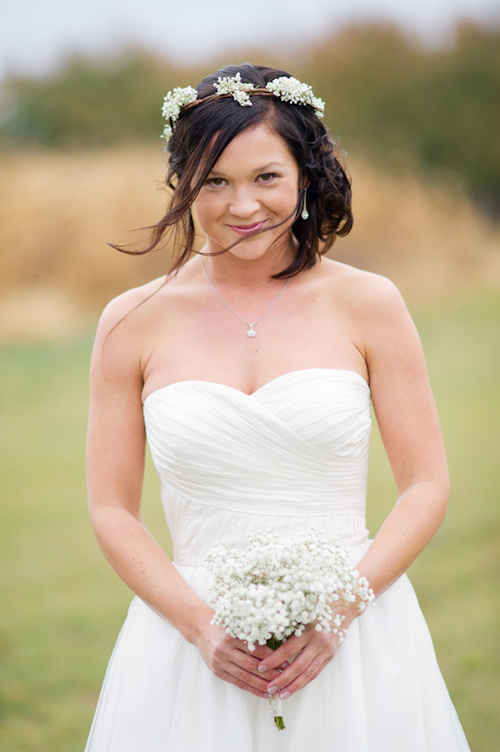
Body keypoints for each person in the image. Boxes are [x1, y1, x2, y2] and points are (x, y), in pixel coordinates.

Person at [85, 63, 470, 751]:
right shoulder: (131, 320)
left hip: (352, 627)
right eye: (215, 182)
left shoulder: (369, 304)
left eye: (266, 177)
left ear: (305, 176)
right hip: (192, 639)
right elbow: (111, 508)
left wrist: (341, 609)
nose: (242, 206)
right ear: (184, 184)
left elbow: (427, 485)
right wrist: (200, 626)